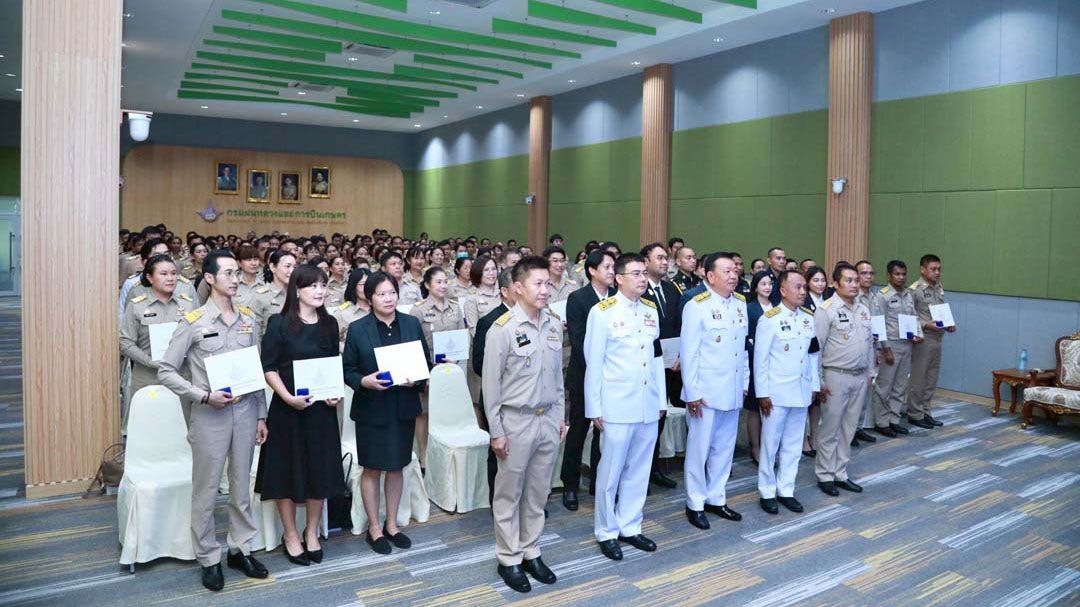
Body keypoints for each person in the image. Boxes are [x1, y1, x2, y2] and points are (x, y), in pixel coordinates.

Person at [157, 250, 269, 592]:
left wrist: (262, 414)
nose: (236, 279)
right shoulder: (193, 322)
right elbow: (166, 370)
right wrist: (203, 395)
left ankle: (240, 548)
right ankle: (208, 556)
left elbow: (256, 370)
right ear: (209, 278)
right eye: (229, 274)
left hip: (247, 413)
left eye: (238, 273)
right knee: (206, 489)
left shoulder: (249, 319)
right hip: (209, 415)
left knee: (241, 485)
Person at [483, 256, 567, 593]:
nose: (546, 290)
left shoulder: (553, 323)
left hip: (548, 419)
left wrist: (561, 416)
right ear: (518, 288)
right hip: (515, 421)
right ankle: (509, 558)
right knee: (509, 494)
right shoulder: (502, 329)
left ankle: (531, 550)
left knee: (538, 492)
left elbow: (558, 378)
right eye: (538, 283)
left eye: (548, 283)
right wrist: (496, 431)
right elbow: (490, 387)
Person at [255, 264, 346, 567]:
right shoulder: (279, 323)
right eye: (313, 286)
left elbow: (333, 364)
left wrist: (334, 393)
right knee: (286, 473)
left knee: (318, 472)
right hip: (287, 410)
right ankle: (290, 534)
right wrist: (288, 398)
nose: (320, 291)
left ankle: (311, 532)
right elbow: (268, 367)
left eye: (323, 285)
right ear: (297, 290)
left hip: (321, 411)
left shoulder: (330, 324)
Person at [342, 272, 430, 555]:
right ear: (369, 297)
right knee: (372, 468)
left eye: (391, 292)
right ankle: (374, 528)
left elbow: (424, 362)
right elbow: (347, 370)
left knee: (397, 466)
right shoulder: (357, 329)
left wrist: (416, 379)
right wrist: (364, 381)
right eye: (380, 294)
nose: (388, 298)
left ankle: (392, 524)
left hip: (403, 406)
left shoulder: (411, 323)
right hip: (372, 408)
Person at [584, 253, 664, 561]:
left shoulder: (649, 310)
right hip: (616, 405)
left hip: (646, 404)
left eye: (645, 273)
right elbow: (594, 362)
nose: (643, 279)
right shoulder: (601, 312)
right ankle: (606, 530)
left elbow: (655, 358)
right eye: (636, 274)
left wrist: (660, 401)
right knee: (610, 472)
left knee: (639, 469)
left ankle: (631, 525)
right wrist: (594, 408)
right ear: (619, 278)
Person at [680, 253, 748, 530]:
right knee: (699, 449)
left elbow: (742, 349)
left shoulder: (741, 303)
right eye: (727, 271)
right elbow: (689, 353)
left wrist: (744, 384)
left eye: (735, 270)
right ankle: (695, 502)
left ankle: (716, 497)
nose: (733, 275)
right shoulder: (697, 305)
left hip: (731, 390)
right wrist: (692, 392)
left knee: (724, 448)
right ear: (709, 276)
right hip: (705, 393)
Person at [754, 270, 819, 514]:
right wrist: (762, 394)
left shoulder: (808, 318)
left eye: (804, 287)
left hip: (801, 392)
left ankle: (786, 489)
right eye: (798, 287)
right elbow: (760, 360)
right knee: (770, 444)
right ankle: (767, 490)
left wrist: (813, 386)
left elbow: (812, 355)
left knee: (793, 445)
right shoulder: (769, 319)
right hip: (776, 393)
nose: (803, 291)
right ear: (783, 290)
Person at [560, 249, 616, 510]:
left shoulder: (617, 298)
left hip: (613, 377)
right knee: (579, 430)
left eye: (614, 267)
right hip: (583, 374)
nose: (612, 271)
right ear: (592, 270)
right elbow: (580, 340)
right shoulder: (578, 299)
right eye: (606, 267)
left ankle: (597, 480)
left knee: (604, 430)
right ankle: (570, 485)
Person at [814, 262, 875, 497]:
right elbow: (816, 349)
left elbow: (869, 344)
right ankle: (824, 474)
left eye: (856, 280)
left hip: (860, 376)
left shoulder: (863, 308)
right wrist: (819, 381)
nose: (853, 285)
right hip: (835, 375)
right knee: (831, 427)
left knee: (849, 428)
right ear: (836, 284)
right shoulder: (826, 310)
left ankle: (840, 472)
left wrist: (870, 372)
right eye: (848, 280)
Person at [120, 254, 192, 430]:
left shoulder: (187, 304)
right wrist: (150, 361)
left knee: (180, 430)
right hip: (148, 378)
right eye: (164, 273)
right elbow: (125, 342)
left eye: (174, 273)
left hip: (181, 377)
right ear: (150, 277)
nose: (170, 278)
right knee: (148, 431)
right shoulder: (137, 306)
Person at [409, 266, 466, 467]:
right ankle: (423, 455)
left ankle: (445, 453)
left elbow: (462, 337)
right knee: (424, 412)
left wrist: (456, 358)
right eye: (438, 282)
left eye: (445, 281)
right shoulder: (418, 310)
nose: (443, 286)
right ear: (427, 285)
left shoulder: (456, 307)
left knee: (448, 411)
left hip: (451, 370)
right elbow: (413, 343)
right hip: (428, 369)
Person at [472, 269, 515, 506]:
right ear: (505, 292)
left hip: (528, 401)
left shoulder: (538, 317)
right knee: (498, 452)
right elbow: (479, 364)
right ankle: (498, 503)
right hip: (499, 397)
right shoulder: (489, 322)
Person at [640, 242, 680, 489]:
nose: (665, 263)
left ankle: (654, 467)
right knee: (645, 417)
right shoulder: (639, 290)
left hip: (670, 364)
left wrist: (679, 356)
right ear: (645, 262)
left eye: (666, 259)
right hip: (647, 364)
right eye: (659, 258)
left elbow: (677, 324)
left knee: (661, 416)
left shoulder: (671, 289)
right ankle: (640, 470)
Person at [871, 260, 921, 437]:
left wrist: (918, 334)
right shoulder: (882, 296)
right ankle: (881, 422)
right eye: (897, 274)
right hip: (890, 345)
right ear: (889, 276)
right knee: (884, 386)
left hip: (907, 344)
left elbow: (914, 317)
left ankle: (894, 419)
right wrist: (885, 349)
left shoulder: (908, 294)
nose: (901, 277)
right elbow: (878, 324)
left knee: (900, 386)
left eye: (903, 274)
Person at [907, 254, 954, 428]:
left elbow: (940, 311)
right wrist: (926, 324)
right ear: (923, 269)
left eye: (939, 269)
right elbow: (908, 317)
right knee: (919, 378)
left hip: (938, 338)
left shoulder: (938, 287)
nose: (937, 272)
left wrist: (948, 324)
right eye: (933, 269)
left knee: (931, 378)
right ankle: (914, 413)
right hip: (923, 339)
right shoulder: (915, 290)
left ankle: (926, 410)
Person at [744, 270, 775, 465]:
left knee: (772, 406)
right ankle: (755, 446)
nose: (767, 287)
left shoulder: (777, 308)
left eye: (770, 284)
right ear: (755, 287)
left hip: (776, 364)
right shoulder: (750, 308)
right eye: (763, 284)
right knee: (755, 408)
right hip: (755, 361)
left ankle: (769, 446)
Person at [464, 255, 500, 401]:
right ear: (478, 273)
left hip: (504, 349)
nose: (491, 273)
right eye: (487, 270)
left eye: (493, 269)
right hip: (482, 352)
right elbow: (473, 329)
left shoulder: (503, 293)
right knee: (480, 397)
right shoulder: (472, 298)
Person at [851, 260, 879, 447]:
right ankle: (849, 430)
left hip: (872, 347)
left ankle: (858, 426)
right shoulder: (853, 297)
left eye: (870, 273)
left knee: (866, 389)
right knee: (853, 393)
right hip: (856, 350)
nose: (868, 276)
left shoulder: (875, 297)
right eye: (864, 273)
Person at [802, 265, 829, 456]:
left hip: (826, 355)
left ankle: (815, 436)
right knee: (807, 399)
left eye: (822, 280)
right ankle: (803, 439)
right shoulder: (803, 301)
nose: (820, 284)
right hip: (808, 354)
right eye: (815, 280)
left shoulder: (829, 302)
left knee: (818, 400)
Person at [251, 250, 296, 338]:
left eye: (294, 267)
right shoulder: (261, 296)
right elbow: (256, 334)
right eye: (287, 266)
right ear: (272, 267)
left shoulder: (299, 294)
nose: (292, 271)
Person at [332, 268, 371, 344]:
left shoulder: (381, 309)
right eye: (363, 284)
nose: (367, 287)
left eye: (370, 284)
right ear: (353, 286)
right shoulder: (342, 313)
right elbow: (332, 341)